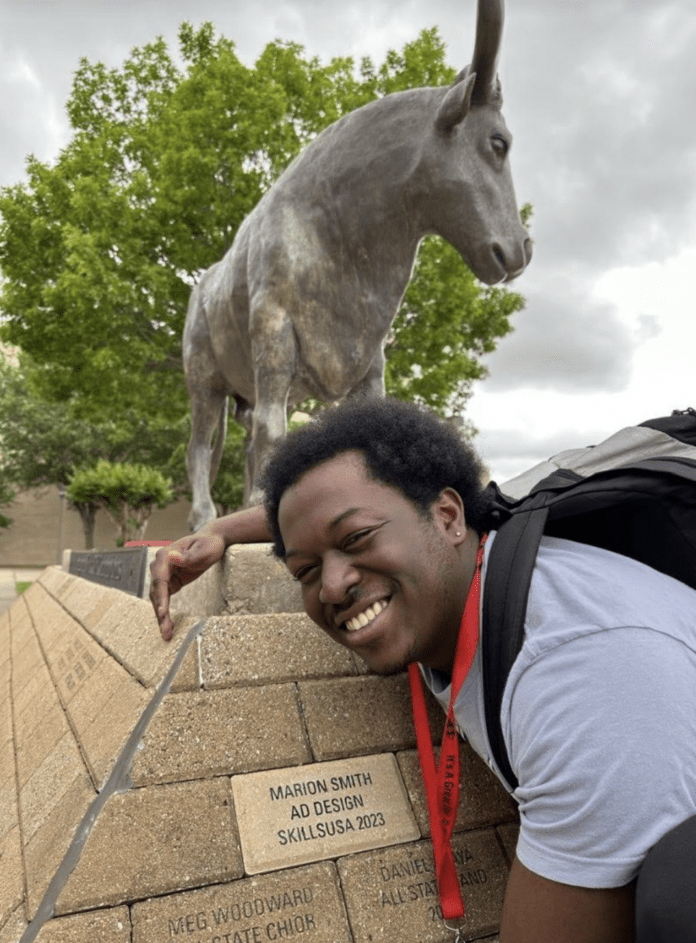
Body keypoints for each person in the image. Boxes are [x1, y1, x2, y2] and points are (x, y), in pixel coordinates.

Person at [150, 397, 696, 943]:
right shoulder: (470, 562)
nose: (333, 585)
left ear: (448, 516)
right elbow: (326, 518)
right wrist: (219, 530)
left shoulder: (581, 679)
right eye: (306, 570)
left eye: (356, 540)